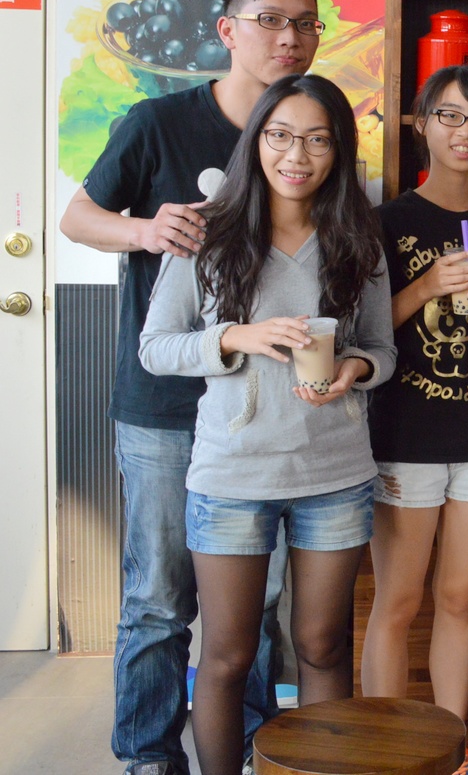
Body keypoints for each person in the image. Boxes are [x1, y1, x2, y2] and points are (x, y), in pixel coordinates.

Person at [59, 0, 318, 775]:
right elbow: (76, 216)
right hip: (167, 403)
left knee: (258, 606)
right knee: (159, 598)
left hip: (266, 413)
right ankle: (146, 755)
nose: (289, 37)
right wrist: (143, 230)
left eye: (305, 23)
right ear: (226, 30)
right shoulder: (158, 122)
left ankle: (248, 750)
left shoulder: (308, 131)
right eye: (271, 19)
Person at [138, 74, 396, 775]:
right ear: (257, 142)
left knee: (323, 646)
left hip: (334, 473)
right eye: (281, 136)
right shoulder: (208, 233)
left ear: (339, 151)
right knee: (227, 655)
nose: (297, 155)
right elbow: (156, 348)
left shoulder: (356, 238)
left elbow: (382, 349)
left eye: (318, 140)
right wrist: (233, 337)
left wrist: (355, 370)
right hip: (233, 475)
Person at [359, 66, 468, 775]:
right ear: (422, 125)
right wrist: (427, 285)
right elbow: (361, 334)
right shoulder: (387, 222)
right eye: (449, 116)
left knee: (460, 596)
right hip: (405, 437)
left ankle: (453, 751)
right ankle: (389, 753)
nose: (464, 132)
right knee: (398, 601)